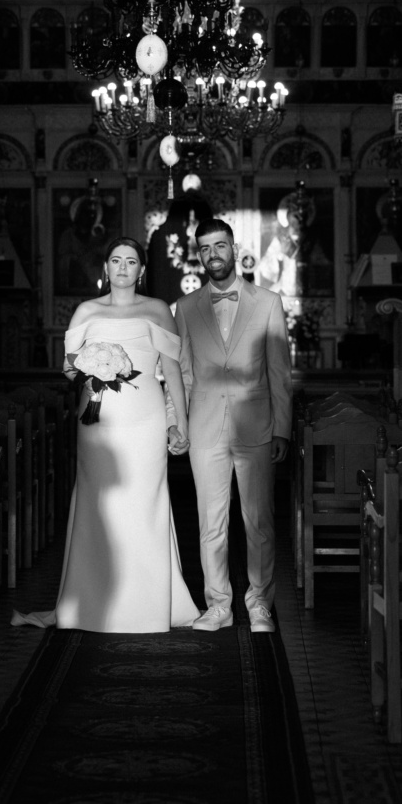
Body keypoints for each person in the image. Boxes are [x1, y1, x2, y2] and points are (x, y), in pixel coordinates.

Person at [12, 236, 199, 633]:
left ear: (141, 270)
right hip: (97, 418)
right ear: (106, 268)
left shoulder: (158, 309)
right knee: (100, 503)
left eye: (131, 261)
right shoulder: (87, 310)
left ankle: (147, 604)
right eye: (116, 260)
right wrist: (94, 370)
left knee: (142, 502)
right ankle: (95, 601)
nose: (122, 267)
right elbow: (68, 367)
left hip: (145, 418)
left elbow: (174, 372)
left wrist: (179, 423)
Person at [167, 219, 292, 633]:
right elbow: (181, 374)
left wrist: (282, 429)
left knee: (259, 522)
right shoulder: (185, 307)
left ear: (234, 249)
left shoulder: (268, 302)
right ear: (199, 255)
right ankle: (219, 605)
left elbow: (279, 372)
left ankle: (259, 605)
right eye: (205, 248)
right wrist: (176, 424)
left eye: (220, 246)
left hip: (256, 425)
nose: (213, 254)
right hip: (205, 427)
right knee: (210, 524)